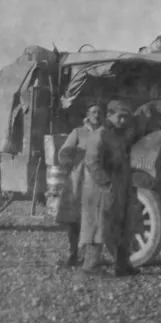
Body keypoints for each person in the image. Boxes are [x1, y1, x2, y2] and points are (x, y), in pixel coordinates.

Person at [79, 100, 141, 277]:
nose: (123, 121)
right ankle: (90, 265)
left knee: (123, 225)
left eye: (126, 118)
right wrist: (107, 184)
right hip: (101, 189)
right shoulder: (100, 135)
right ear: (109, 115)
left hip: (120, 187)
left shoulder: (119, 135)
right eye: (120, 117)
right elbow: (92, 162)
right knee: (97, 226)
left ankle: (122, 265)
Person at [56, 102, 105, 267]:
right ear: (87, 114)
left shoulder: (106, 133)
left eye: (99, 112)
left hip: (97, 180)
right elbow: (63, 152)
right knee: (74, 218)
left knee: (94, 218)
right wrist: (72, 161)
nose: (96, 115)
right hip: (78, 180)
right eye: (93, 112)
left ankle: (90, 258)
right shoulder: (78, 132)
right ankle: (72, 254)